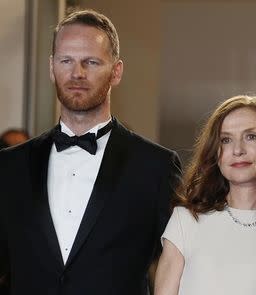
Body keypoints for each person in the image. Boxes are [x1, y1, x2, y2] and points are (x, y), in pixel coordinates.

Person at [0, 9, 181, 295]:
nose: (77, 73)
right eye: (66, 60)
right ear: (51, 67)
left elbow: (181, 265)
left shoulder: (155, 167)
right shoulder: (10, 166)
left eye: (91, 62)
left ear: (116, 71)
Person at [154, 95, 256, 295]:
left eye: (251, 136)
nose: (237, 150)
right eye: (226, 140)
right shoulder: (186, 220)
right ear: (216, 154)